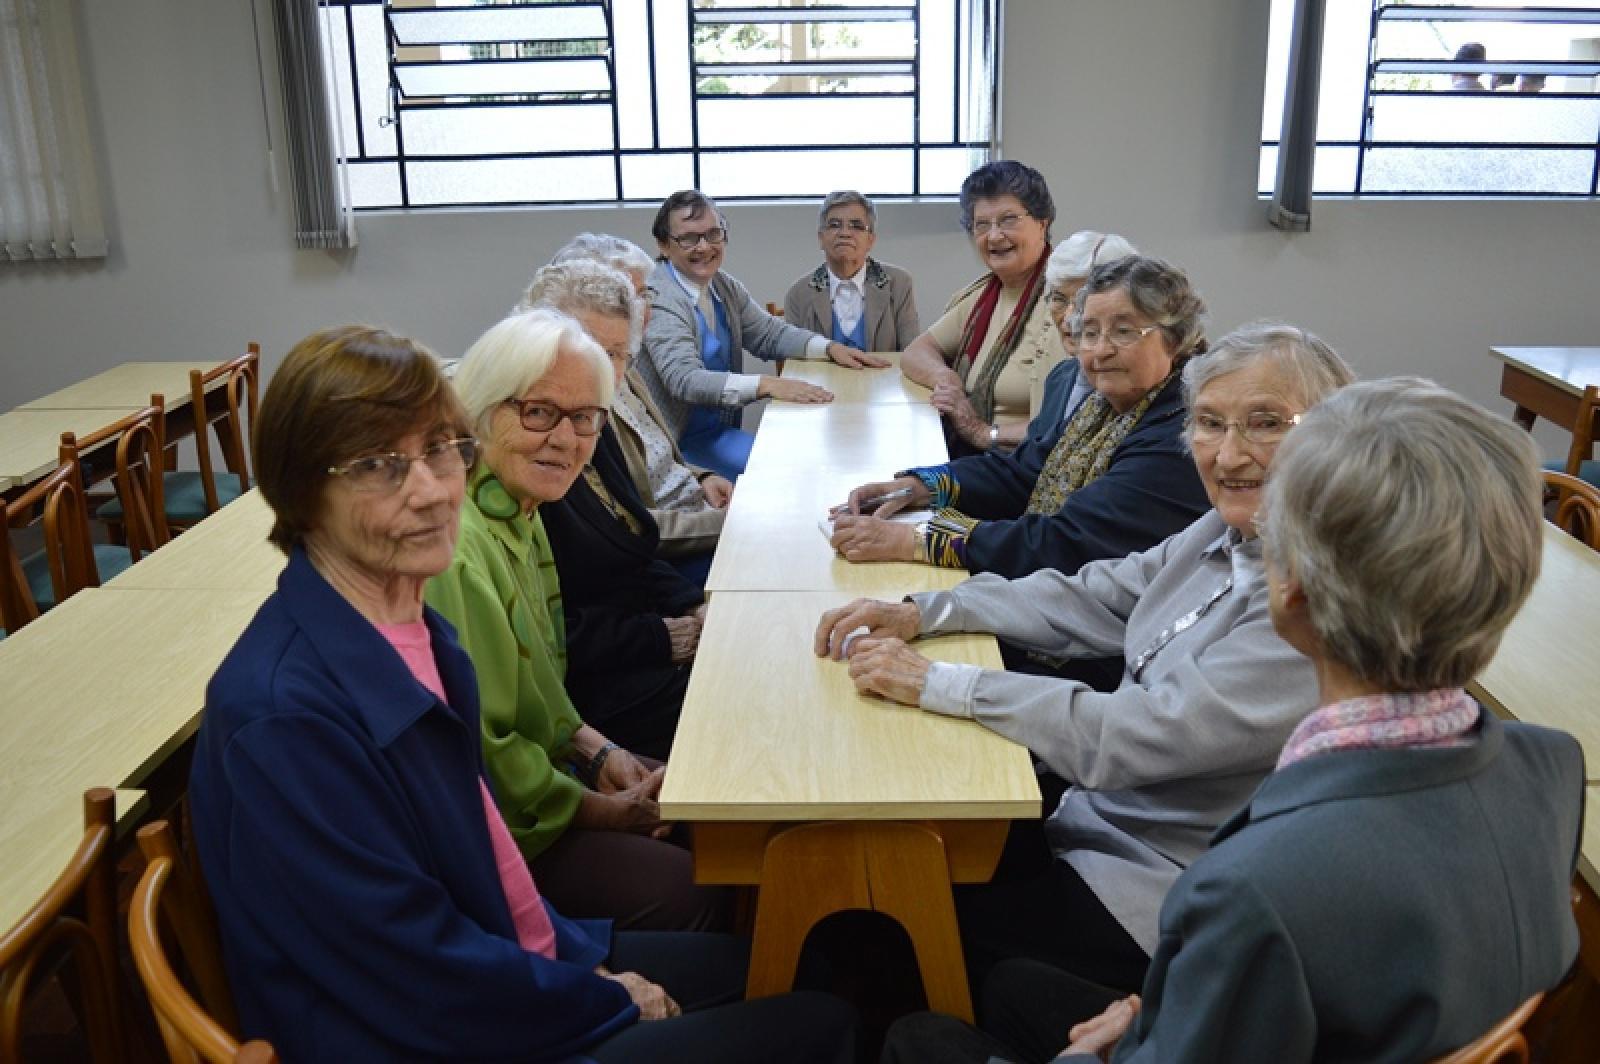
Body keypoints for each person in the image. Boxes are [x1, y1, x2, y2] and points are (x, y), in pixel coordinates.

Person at [190, 326, 857, 1062]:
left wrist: (577, 957)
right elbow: (408, 967)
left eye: (442, 450)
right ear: (300, 489)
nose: (432, 490)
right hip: (424, 1032)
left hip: (497, 960)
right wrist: (600, 993)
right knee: (822, 1023)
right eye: (380, 466)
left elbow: (485, 860)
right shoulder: (285, 715)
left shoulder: (410, 630)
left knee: (806, 960)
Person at [881, 377, 1584, 1064]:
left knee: (916, 1029)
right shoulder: (1553, 762)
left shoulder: (1251, 889)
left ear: (1290, 591)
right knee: (1010, 986)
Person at [817, 322, 1355, 995]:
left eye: (1266, 423)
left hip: (1167, 894)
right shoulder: (1227, 526)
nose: (1229, 453)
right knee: (876, 856)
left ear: (1331, 437)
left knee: (876, 934)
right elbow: (1098, 593)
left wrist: (939, 682)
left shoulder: (1313, 601)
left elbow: (1127, 737)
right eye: (1210, 424)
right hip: (1094, 819)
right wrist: (926, 613)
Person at [425, 308, 728, 931]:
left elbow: (544, 687)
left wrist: (599, 754)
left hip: (544, 785)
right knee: (697, 886)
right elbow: (488, 751)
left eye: (585, 418)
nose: (565, 439)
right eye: (537, 412)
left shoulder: (520, 506)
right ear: (480, 411)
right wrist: (599, 809)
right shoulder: (456, 550)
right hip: (492, 837)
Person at [828, 255, 1211, 584]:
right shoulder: (1106, 402)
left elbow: (1064, 544)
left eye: (1124, 332)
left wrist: (913, 540)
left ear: (1176, 338)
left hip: (1103, 641)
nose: (1100, 350)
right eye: (1089, 333)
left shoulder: (1182, 433)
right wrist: (919, 487)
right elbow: (1024, 474)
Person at [522, 259, 704, 760]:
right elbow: (550, 632)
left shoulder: (591, 422)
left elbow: (635, 547)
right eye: (588, 348)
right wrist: (665, 639)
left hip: (643, 642)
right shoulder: (531, 459)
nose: (603, 368)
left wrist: (694, 605)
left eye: (617, 353)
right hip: (594, 690)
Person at [637, 189, 890, 478]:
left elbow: (768, 332)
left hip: (717, 435)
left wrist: (829, 348)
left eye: (713, 234)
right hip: (677, 451)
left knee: (808, 458)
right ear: (664, 245)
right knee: (788, 472)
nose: (704, 247)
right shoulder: (659, 297)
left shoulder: (723, 286)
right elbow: (684, 380)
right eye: (689, 238)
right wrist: (766, 385)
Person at [548, 233, 729, 573]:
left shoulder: (625, 363)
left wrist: (702, 478)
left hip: (696, 511)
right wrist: (724, 526)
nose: (645, 309)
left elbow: (656, 452)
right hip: (667, 551)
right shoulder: (579, 401)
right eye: (630, 297)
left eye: (646, 295)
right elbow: (624, 525)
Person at [898, 160, 1066, 455]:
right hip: (973, 454)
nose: (994, 236)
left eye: (1008, 220)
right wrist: (948, 381)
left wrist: (982, 432)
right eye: (982, 225)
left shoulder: (1066, 302)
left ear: (1043, 223)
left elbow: (1068, 422)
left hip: (1025, 468)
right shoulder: (982, 296)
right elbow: (917, 352)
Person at [782, 190, 920, 353]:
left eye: (856, 226)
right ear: (821, 238)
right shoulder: (799, 294)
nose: (845, 233)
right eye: (834, 225)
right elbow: (794, 361)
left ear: (870, 240)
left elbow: (912, 354)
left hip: (883, 378)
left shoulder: (898, 284)